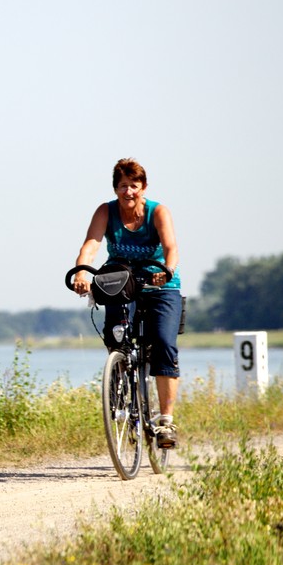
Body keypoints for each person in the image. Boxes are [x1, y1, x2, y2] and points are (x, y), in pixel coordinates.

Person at [71, 158, 182, 448]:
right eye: (123, 186)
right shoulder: (106, 211)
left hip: (159, 283)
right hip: (121, 281)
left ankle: (166, 422)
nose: (128, 192)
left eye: (134, 185)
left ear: (143, 187)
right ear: (115, 189)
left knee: (164, 344)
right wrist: (82, 272)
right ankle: (120, 381)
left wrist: (166, 271)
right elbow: (91, 244)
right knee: (116, 336)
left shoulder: (158, 212)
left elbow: (171, 247)